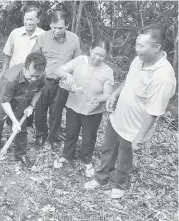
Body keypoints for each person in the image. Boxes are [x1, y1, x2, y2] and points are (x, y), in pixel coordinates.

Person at [84, 24, 176, 199]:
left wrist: (139, 138)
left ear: (157, 47)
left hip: (134, 128)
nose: (137, 49)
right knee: (107, 149)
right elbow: (128, 79)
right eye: (136, 44)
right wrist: (114, 95)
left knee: (124, 157)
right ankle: (101, 177)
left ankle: (120, 184)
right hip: (118, 117)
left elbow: (153, 112)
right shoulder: (138, 60)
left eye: (142, 46)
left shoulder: (163, 77)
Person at [54, 38, 114, 177]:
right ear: (90, 50)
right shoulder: (79, 60)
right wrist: (67, 75)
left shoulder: (107, 71)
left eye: (102, 55)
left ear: (106, 56)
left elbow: (108, 94)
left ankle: (86, 159)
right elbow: (58, 70)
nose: (97, 58)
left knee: (89, 138)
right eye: (96, 53)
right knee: (71, 133)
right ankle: (66, 155)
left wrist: (98, 99)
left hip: (92, 112)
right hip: (73, 106)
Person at [0, 52, 47, 167]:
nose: (34, 79)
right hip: (0, 101)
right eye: (31, 75)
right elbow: (4, 101)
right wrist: (13, 120)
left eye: (37, 77)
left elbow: (39, 89)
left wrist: (31, 105)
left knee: (21, 129)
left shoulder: (41, 75)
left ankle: (21, 154)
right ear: (25, 68)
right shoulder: (10, 78)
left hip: (21, 101)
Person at [32, 10, 81, 152]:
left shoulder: (74, 39)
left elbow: (78, 61)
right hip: (43, 81)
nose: (57, 31)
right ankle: (41, 134)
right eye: (54, 27)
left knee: (56, 111)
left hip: (62, 82)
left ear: (67, 25)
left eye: (61, 28)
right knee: (40, 110)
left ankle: (54, 138)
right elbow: (33, 58)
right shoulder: (42, 38)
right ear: (50, 25)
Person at [1, 4, 44, 74]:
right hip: (14, 76)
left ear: (38, 20)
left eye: (31, 20)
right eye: (26, 19)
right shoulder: (15, 33)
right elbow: (7, 56)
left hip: (34, 77)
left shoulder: (43, 36)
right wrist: (3, 74)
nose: (28, 23)